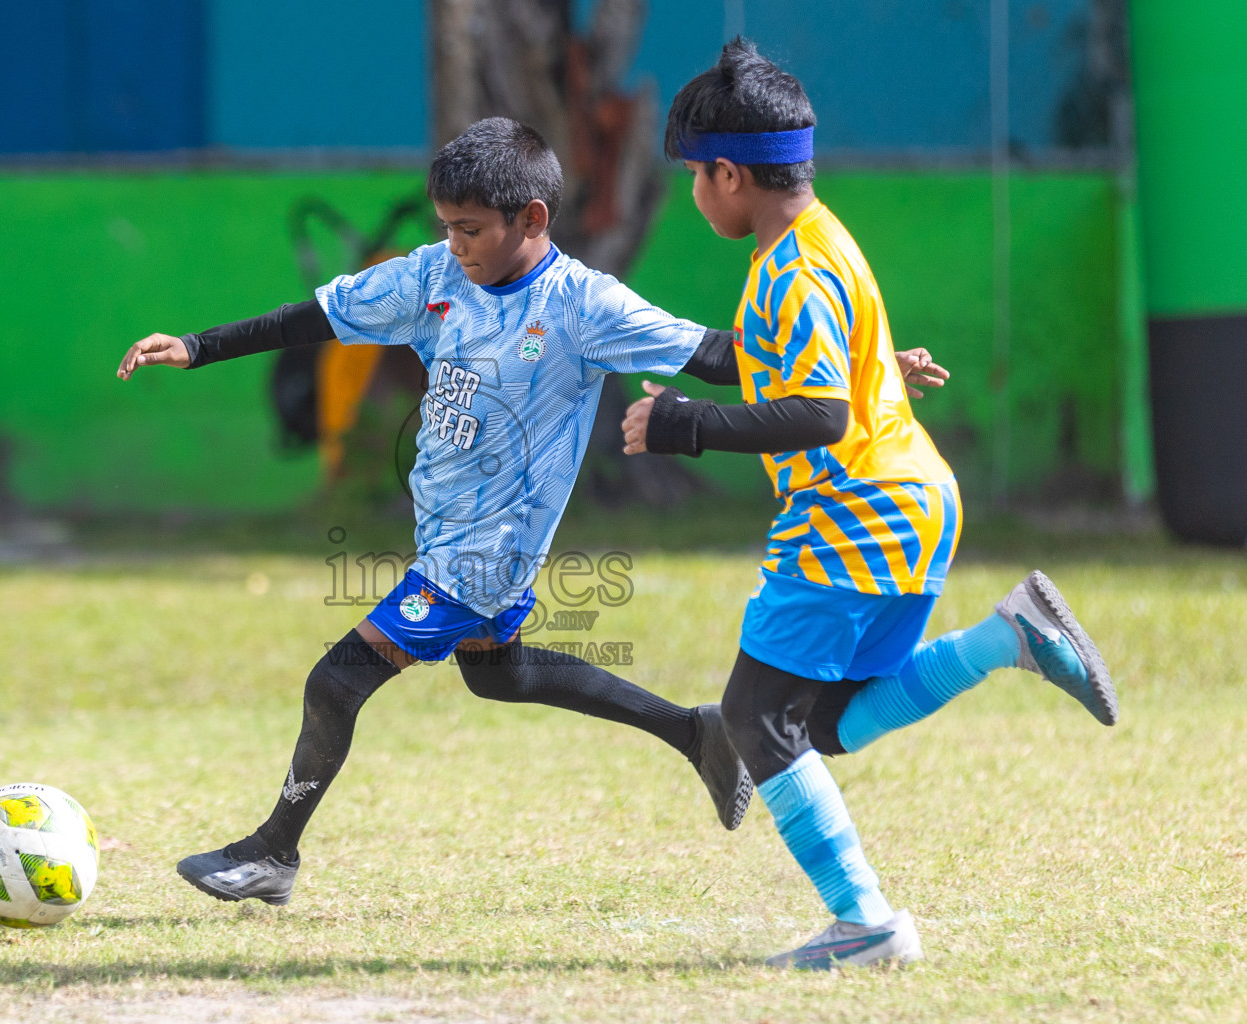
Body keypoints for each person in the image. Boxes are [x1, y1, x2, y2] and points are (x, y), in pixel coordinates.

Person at [116, 116, 947, 909]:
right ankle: (695, 733)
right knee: (498, 674)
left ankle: (272, 852)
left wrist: (862, 364)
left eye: (470, 228)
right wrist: (197, 346)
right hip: (444, 532)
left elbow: (720, 354)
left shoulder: (585, 306)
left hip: (488, 553)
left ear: (533, 218)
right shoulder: (435, 277)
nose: (455, 243)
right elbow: (323, 316)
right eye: (447, 226)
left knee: (335, 682)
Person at [620, 39, 1117, 970]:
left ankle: (866, 924)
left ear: (732, 174)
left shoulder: (789, 270)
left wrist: (685, 423)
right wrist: (884, 368)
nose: (694, 194)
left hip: (854, 508)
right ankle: (1008, 636)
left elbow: (815, 410)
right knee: (825, 720)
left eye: (696, 176)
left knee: (756, 718)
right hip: (915, 501)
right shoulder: (821, 240)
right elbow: (810, 365)